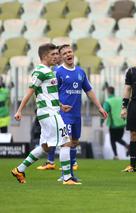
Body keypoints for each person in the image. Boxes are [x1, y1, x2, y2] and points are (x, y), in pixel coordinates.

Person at [11, 43, 81, 185]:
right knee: (66, 142)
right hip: (49, 114)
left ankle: (19, 169)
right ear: (44, 56)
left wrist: (61, 105)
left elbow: (46, 93)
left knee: (46, 147)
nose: (57, 57)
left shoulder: (49, 71)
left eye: (57, 54)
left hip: (51, 112)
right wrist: (19, 110)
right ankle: (67, 178)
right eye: (53, 54)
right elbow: (30, 91)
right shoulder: (40, 71)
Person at [42, 44, 107, 180]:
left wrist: (99, 107)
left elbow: (89, 91)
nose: (68, 54)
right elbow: (52, 93)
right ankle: (65, 175)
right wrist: (59, 105)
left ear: (73, 53)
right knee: (67, 141)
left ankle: (70, 172)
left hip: (77, 114)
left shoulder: (80, 72)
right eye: (64, 53)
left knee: (75, 142)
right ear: (61, 57)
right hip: (64, 114)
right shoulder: (58, 72)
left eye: (69, 52)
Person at [102, 86, 128, 160]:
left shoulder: (108, 101)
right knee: (118, 138)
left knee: (112, 140)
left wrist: (101, 122)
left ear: (108, 92)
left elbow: (104, 112)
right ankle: (127, 145)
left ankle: (116, 155)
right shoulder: (120, 99)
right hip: (122, 123)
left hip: (114, 124)